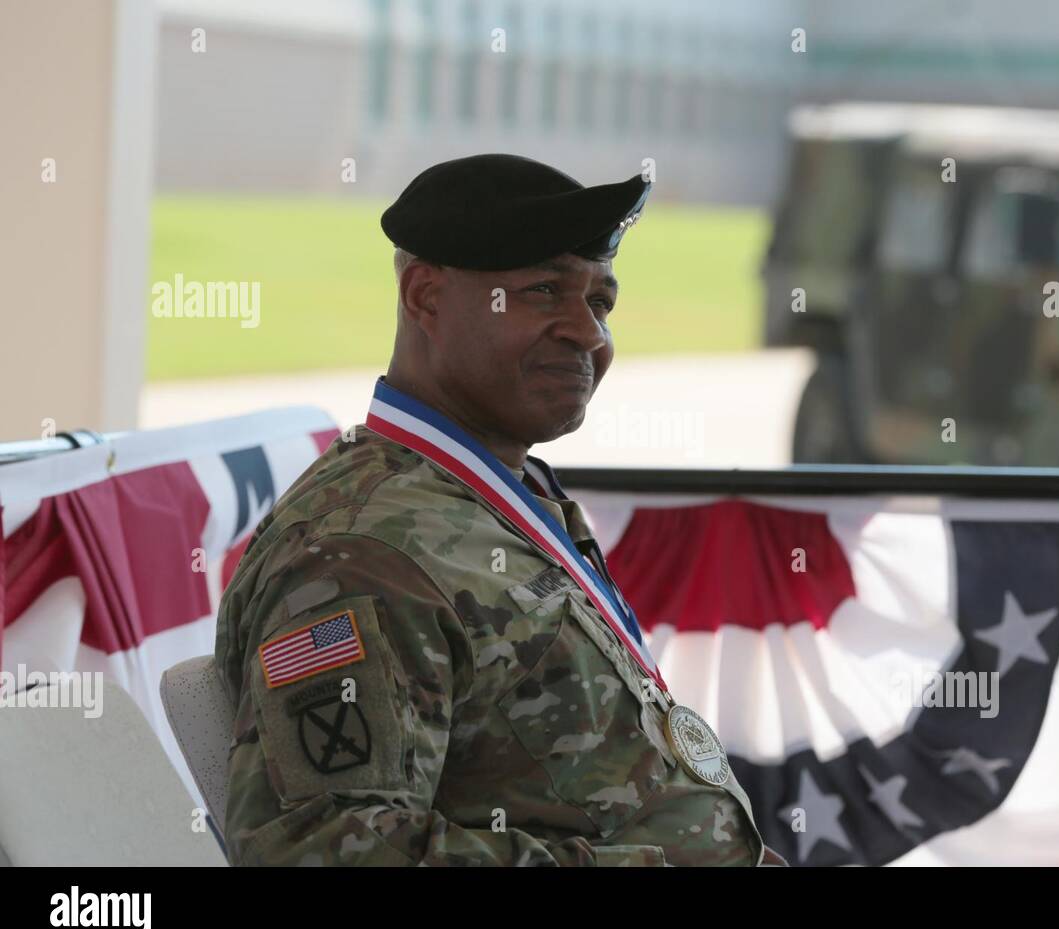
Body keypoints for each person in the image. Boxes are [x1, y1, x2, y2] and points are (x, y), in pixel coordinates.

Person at [214, 153, 786, 866]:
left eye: (600, 302)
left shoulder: (494, 494)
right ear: (425, 297)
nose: (590, 334)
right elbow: (322, 851)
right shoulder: (363, 553)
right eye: (545, 292)